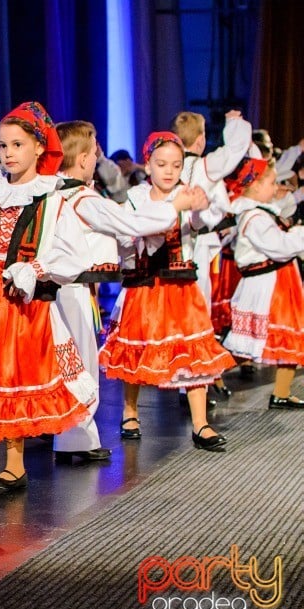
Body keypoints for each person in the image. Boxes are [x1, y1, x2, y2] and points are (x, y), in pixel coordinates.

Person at [0, 102, 97, 494]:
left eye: (18, 144)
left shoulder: (50, 197)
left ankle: (14, 463)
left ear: (38, 147)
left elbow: (74, 254)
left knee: (14, 372)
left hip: (21, 302)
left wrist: (34, 268)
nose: (9, 152)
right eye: (3, 145)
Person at [51, 121, 179, 463]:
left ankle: (75, 436)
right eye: (94, 152)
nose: (97, 158)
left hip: (75, 289)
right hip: (72, 289)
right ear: (81, 160)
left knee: (75, 362)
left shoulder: (59, 194)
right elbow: (130, 224)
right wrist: (174, 208)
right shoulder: (83, 198)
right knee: (81, 364)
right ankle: (75, 437)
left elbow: (117, 236)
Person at [99, 132, 234, 451]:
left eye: (176, 165)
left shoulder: (187, 194)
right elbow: (128, 233)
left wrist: (202, 206)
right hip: (146, 283)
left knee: (193, 351)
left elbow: (202, 223)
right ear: (148, 165)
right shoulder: (136, 197)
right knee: (138, 347)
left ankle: (200, 423)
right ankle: (130, 411)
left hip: (180, 284)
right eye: (161, 164)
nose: (169, 171)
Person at [172, 110, 251, 398]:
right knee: (198, 310)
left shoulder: (170, 165)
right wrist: (234, 123)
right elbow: (235, 150)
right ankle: (193, 382)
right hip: (198, 245)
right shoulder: (204, 166)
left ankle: (190, 378)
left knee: (184, 311)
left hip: (177, 245)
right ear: (201, 139)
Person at [222, 158, 304, 407]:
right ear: (255, 186)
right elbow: (278, 246)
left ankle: (281, 391)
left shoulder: (263, 213)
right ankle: (208, 377)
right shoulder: (253, 218)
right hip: (266, 285)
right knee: (246, 342)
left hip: (280, 281)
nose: (275, 187)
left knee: (290, 334)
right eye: (270, 182)